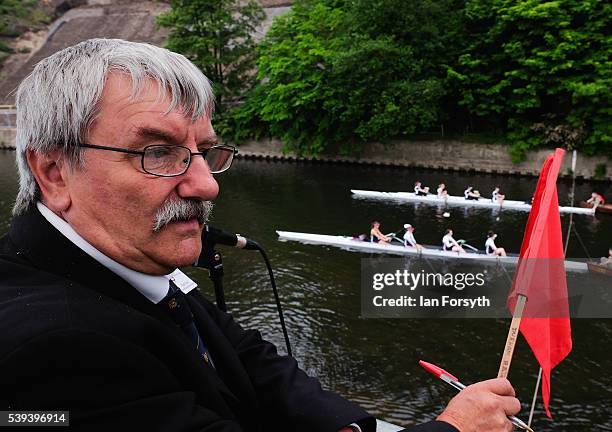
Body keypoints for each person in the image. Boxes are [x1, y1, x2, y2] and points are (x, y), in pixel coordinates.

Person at [0, 39, 521, 432]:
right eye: (156, 152)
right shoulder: (51, 350)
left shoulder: (130, 263)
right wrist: (451, 429)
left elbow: (254, 362)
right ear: (54, 172)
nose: (205, 185)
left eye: (204, 151)